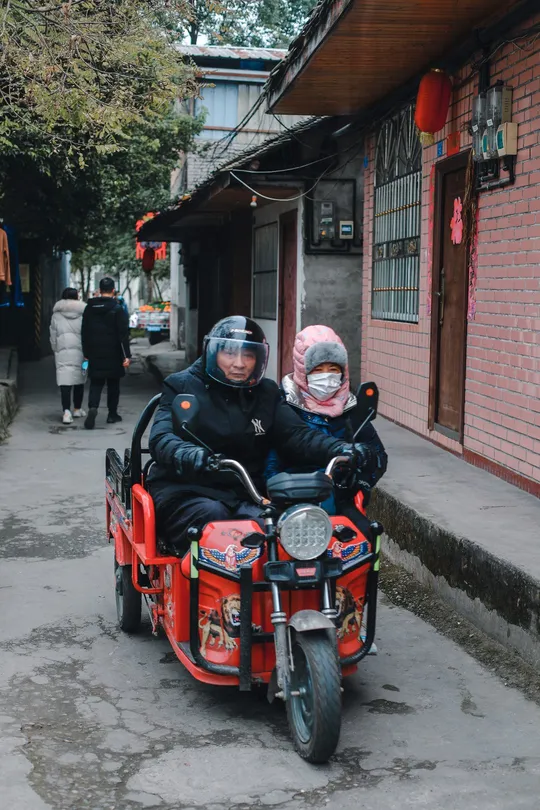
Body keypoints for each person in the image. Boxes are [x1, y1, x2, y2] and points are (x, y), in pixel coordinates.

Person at [146, 315, 383, 556]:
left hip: (247, 493)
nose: (239, 364)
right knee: (214, 521)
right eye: (230, 354)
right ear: (213, 352)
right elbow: (161, 438)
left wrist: (341, 449)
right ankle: (193, 578)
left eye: (248, 355)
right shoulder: (181, 386)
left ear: (259, 358)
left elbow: (297, 435)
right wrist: (189, 454)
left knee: (282, 533)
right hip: (187, 489)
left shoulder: (266, 392)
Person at [265, 325, 387, 532]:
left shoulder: (351, 409)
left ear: (343, 372)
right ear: (303, 371)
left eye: (333, 369)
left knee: (366, 537)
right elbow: (271, 460)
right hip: (289, 499)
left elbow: (378, 456)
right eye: (318, 370)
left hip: (339, 498)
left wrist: (358, 479)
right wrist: (278, 493)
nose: (326, 376)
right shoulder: (284, 405)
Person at [81, 276, 131, 429]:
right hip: (114, 352)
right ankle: (112, 414)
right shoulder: (117, 309)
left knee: (96, 383)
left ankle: (93, 407)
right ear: (113, 291)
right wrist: (126, 355)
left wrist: (86, 352)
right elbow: (123, 334)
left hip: (95, 351)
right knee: (113, 384)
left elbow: (84, 332)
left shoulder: (89, 308)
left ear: (99, 290)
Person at [49, 287, 87, 425]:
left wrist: (55, 349)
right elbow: (88, 333)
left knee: (65, 381)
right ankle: (77, 409)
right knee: (80, 378)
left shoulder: (56, 315)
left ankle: (66, 412)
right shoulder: (84, 313)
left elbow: (53, 335)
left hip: (62, 352)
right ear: (77, 297)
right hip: (82, 353)